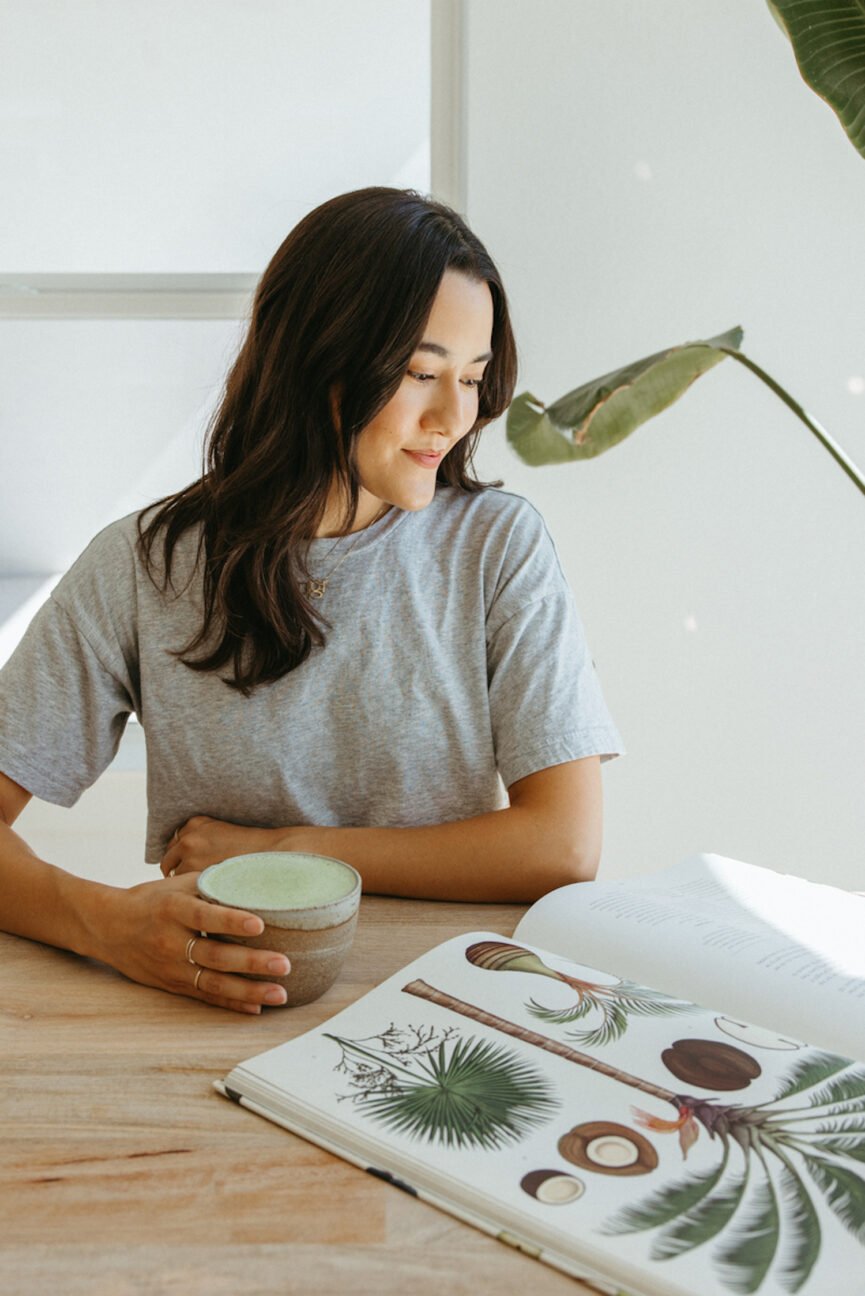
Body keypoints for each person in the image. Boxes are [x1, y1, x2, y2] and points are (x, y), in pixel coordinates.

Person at [0, 187, 622, 1014]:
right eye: (420, 372)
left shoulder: (495, 548)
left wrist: (291, 848)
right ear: (319, 359)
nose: (454, 417)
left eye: (472, 379)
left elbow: (563, 846)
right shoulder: (145, 566)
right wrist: (106, 923)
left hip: (453, 1002)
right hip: (215, 1004)